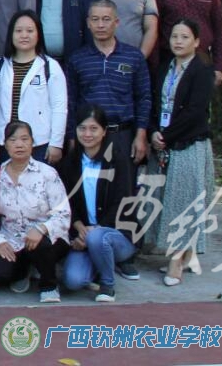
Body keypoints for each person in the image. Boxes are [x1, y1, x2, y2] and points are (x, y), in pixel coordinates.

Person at [148, 19, 216, 287]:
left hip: (188, 143)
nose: (178, 41)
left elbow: (196, 111)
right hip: (163, 142)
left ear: (197, 41)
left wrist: (166, 136)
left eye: (185, 37)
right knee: (165, 200)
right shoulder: (165, 66)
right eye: (175, 36)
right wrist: (154, 131)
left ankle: (176, 261)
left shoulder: (202, 70)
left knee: (184, 202)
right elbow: (156, 103)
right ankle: (184, 254)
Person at [65, 0, 151, 209]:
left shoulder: (133, 56)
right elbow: (70, 101)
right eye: (95, 19)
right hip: (88, 137)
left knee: (124, 194)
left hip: (123, 134)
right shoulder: (77, 59)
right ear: (88, 23)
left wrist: (141, 135)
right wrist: (72, 139)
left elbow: (144, 97)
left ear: (116, 22)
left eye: (106, 19)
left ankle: (122, 230)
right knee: (91, 193)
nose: (101, 25)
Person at [0, 120, 71, 303]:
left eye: (24, 139)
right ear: (5, 144)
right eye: (13, 140)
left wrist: (41, 229)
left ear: (32, 143)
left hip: (46, 239)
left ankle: (49, 285)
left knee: (41, 247)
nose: (19, 144)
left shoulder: (47, 173)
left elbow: (63, 213)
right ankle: (24, 269)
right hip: (12, 238)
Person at [58, 105, 138, 302]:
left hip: (117, 235)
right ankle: (98, 263)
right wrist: (78, 227)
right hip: (84, 234)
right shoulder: (70, 163)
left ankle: (107, 286)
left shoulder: (117, 159)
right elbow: (65, 202)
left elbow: (123, 202)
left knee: (97, 238)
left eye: (93, 128)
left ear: (104, 131)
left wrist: (96, 230)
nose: (87, 134)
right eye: (82, 128)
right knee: (73, 280)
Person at [0, 11, 68, 166]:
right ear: (11, 34)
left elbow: (59, 107)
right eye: (18, 31)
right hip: (5, 143)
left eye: (30, 31)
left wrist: (56, 143)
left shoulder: (50, 67)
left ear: (38, 34)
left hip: (39, 143)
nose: (24, 35)